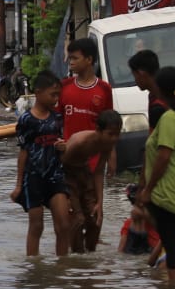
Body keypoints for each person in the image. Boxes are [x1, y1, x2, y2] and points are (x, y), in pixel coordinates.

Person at [135, 66, 175, 283]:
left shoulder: (170, 118)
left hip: (170, 191)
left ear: (159, 90)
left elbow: (164, 156)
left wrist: (148, 189)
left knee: (173, 247)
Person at [60, 37, 115, 242]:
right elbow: (56, 122)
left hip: (93, 165)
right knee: (75, 220)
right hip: (68, 162)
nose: (70, 62)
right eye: (69, 58)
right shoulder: (64, 87)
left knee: (94, 217)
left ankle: (89, 261)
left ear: (89, 59)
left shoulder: (103, 89)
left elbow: (111, 125)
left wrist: (111, 154)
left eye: (75, 58)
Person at [11, 70, 70, 258]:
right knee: (37, 226)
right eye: (52, 94)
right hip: (33, 177)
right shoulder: (26, 120)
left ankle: (62, 263)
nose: (56, 99)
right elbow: (23, 152)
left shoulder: (57, 119)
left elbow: (62, 146)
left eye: (57, 95)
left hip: (55, 176)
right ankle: (33, 265)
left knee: (63, 224)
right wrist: (19, 185)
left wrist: (63, 148)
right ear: (38, 92)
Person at [59, 109, 123, 252]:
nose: (114, 138)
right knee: (78, 220)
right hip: (67, 174)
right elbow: (60, 165)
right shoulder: (80, 142)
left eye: (117, 134)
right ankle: (77, 256)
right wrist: (66, 196)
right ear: (98, 130)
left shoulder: (108, 143)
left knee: (95, 218)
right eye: (110, 134)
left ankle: (90, 257)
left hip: (85, 172)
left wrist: (100, 202)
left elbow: (99, 172)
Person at [128, 49, 167, 130]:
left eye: (134, 75)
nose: (135, 80)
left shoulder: (159, 106)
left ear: (141, 74)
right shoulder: (154, 95)